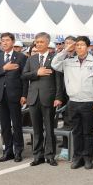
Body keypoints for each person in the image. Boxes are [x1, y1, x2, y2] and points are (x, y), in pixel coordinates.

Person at [52, 36, 93, 170]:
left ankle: (88, 159)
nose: (79, 47)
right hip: (74, 101)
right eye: (77, 45)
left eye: (82, 45)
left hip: (89, 102)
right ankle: (78, 158)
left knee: (87, 132)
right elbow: (54, 64)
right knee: (76, 131)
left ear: (88, 47)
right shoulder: (68, 62)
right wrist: (65, 50)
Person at [22, 32, 64, 167]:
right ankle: (38, 155)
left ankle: (50, 155)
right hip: (33, 98)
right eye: (37, 42)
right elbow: (24, 75)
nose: (38, 44)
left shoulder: (54, 58)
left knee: (50, 128)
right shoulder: (31, 59)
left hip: (49, 97)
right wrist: (36, 73)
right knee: (37, 128)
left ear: (48, 43)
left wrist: (58, 97)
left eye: (41, 42)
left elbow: (59, 81)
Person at [0, 33, 29, 163]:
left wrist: (24, 94)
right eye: (3, 41)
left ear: (13, 42)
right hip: (0, 95)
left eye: (7, 40)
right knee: (5, 125)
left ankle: (18, 151)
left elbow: (24, 78)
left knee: (16, 124)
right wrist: (4, 69)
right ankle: (7, 151)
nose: (5, 43)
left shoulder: (21, 57)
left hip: (15, 94)